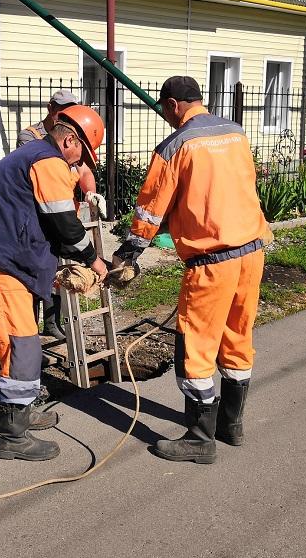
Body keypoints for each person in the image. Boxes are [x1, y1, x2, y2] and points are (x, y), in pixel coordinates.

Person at [112, 75, 271, 464]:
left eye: (164, 111)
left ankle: (200, 438)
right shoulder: (235, 133)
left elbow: (151, 208)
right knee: (237, 336)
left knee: (196, 346)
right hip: (252, 252)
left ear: (171, 105)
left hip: (212, 261)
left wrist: (129, 253)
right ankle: (230, 426)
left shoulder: (175, 145)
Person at [0, 105, 108, 461]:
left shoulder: (33, 156)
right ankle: (12, 436)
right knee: (21, 347)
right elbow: (65, 225)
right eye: (81, 154)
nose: (79, 163)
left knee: (21, 346)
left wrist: (46, 272)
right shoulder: (48, 161)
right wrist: (93, 261)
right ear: (69, 139)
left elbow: (33, 220)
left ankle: (20, 411)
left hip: (3, 263)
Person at [17, 90, 103, 342]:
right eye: (63, 109)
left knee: (53, 273)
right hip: (40, 220)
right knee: (32, 279)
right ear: (50, 108)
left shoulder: (64, 143)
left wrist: (91, 194)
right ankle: (28, 334)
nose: (67, 113)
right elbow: (53, 195)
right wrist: (93, 260)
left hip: (57, 216)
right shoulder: (36, 143)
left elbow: (83, 170)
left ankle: (50, 325)